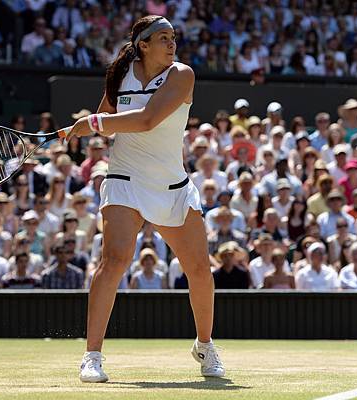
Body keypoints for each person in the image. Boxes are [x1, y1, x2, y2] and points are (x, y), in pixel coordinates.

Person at [67, 16, 224, 382]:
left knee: (200, 270)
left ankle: (205, 346)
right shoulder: (119, 75)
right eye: (164, 38)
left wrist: (92, 124)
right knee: (114, 260)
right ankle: (92, 356)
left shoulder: (182, 74)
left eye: (174, 38)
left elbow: (148, 119)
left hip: (172, 185)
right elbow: (106, 119)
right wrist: (79, 128)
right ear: (143, 44)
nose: (172, 45)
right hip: (124, 179)